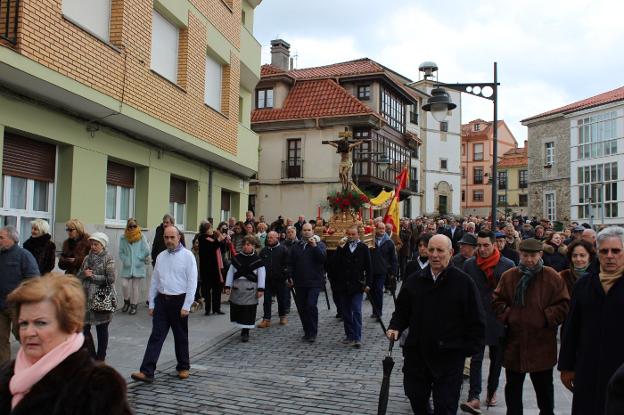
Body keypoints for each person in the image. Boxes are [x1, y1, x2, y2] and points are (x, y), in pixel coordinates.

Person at [0, 275, 131, 414]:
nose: (28, 332)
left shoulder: (97, 386)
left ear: (70, 326)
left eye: (40, 323)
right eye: (24, 323)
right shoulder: (7, 372)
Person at [387, 234, 485, 415]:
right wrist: (395, 327)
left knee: (446, 406)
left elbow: (476, 321)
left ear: (450, 252)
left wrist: (466, 350)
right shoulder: (415, 280)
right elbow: (401, 312)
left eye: (440, 250)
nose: (434, 255)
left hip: (449, 357)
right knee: (416, 397)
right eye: (431, 250)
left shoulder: (463, 283)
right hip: (418, 354)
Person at [492, 238, 570, 415]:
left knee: (545, 393)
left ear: (540, 254)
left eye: (533, 255)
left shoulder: (551, 276)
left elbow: (564, 304)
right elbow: (497, 301)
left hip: (542, 344)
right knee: (513, 391)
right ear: (520, 254)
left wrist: (544, 318)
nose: (528, 259)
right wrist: (510, 315)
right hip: (515, 344)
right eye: (525, 255)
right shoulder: (509, 276)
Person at [558, 226, 624, 415]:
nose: (610, 256)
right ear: (598, 253)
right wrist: (566, 366)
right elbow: (572, 327)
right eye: (604, 251)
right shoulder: (584, 284)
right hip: (588, 366)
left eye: (616, 251)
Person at [131, 225, 197, 383]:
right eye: (166, 237)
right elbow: (155, 281)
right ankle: (147, 371)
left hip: (179, 301)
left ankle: (183, 366)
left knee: (180, 336)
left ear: (179, 237)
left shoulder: (188, 256)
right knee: (156, 336)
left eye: (172, 237)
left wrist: (187, 305)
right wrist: (152, 303)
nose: (169, 240)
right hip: (162, 301)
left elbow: (192, 282)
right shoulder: (161, 256)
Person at [461, 231, 514, 413]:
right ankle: (474, 396)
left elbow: (511, 295)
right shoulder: (469, 265)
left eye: (486, 245)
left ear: (494, 245)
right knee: (475, 359)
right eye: (479, 245)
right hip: (476, 319)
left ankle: (491, 391)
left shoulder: (507, 265)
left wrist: (508, 315)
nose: (482, 249)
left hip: (498, 319)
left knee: (496, 359)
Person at [0, 226, 40, 365]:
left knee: (22, 335)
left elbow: (34, 280)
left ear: (12, 239)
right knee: (1, 340)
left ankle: (33, 363)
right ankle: (4, 370)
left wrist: (23, 298)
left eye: (1, 238)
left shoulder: (24, 255)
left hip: (17, 305)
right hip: (1, 304)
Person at [77, 232, 116, 362]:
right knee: (84, 329)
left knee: (102, 329)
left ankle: (101, 358)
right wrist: (83, 274)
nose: (93, 247)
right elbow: (78, 276)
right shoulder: (87, 258)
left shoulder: (108, 258)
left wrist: (92, 276)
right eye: (92, 244)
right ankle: (92, 356)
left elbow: (110, 278)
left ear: (102, 245)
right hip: (86, 298)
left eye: (96, 244)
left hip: (101, 297)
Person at [334, 226, 372, 348]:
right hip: (344, 285)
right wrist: (339, 249)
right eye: (349, 234)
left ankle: (357, 337)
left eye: (353, 234)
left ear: (357, 235)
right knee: (346, 312)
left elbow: (369, 268)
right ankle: (349, 335)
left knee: (356, 310)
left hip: (357, 285)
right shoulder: (343, 247)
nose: (351, 236)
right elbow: (335, 263)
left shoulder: (363, 247)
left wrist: (368, 284)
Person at [289, 223, 327, 342]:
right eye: (304, 230)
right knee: (302, 308)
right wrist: (289, 276)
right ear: (301, 231)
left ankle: (313, 332)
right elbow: (291, 263)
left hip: (314, 281)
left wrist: (315, 246)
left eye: (309, 230)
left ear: (313, 231)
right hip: (300, 282)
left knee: (311, 305)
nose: (306, 232)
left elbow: (322, 259)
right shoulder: (296, 246)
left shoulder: (319, 244)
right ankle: (307, 331)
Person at [224, 235, 265, 342]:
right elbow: (230, 273)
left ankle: (245, 331)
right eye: (244, 245)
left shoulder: (257, 260)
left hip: (251, 288)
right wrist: (228, 286)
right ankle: (242, 327)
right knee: (239, 309)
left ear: (253, 246)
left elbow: (262, 275)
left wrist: (261, 289)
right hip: (237, 288)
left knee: (248, 310)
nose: (246, 247)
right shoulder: (236, 259)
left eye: (248, 245)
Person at [118, 218, 151, 315]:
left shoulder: (141, 236)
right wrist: (125, 260)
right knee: (124, 284)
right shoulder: (123, 237)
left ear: (137, 226)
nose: (132, 228)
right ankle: (126, 302)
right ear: (127, 227)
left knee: (135, 287)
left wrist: (139, 257)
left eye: (134, 226)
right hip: (127, 266)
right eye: (130, 226)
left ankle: (134, 305)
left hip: (138, 265)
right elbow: (121, 252)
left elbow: (147, 250)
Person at [257, 231, 289, 328]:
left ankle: (282, 316)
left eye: (271, 237)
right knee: (267, 300)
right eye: (268, 237)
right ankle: (266, 319)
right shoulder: (264, 251)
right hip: (267, 280)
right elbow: (260, 265)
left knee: (281, 299)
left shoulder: (283, 249)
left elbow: (287, 264)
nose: (269, 239)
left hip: (280, 279)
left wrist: (286, 276)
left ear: (277, 238)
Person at [198, 222, 226, 316]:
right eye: (210, 228)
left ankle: (216, 308)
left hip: (216, 268)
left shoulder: (213, 238)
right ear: (206, 229)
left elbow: (221, 248)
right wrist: (218, 240)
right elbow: (212, 248)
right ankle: (207, 309)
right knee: (207, 290)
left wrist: (224, 240)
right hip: (207, 268)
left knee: (217, 289)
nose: (212, 230)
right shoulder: (202, 238)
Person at [370, 221, 397, 318]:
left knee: (378, 290)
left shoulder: (389, 242)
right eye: (380, 228)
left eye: (383, 228)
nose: (382, 230)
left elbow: (393, 259)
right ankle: (374, 310)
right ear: (375, 229)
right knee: (372, 291)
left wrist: (394, 272)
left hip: (382, 270)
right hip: (371, 270)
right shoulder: (370, 240)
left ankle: (378, 311)